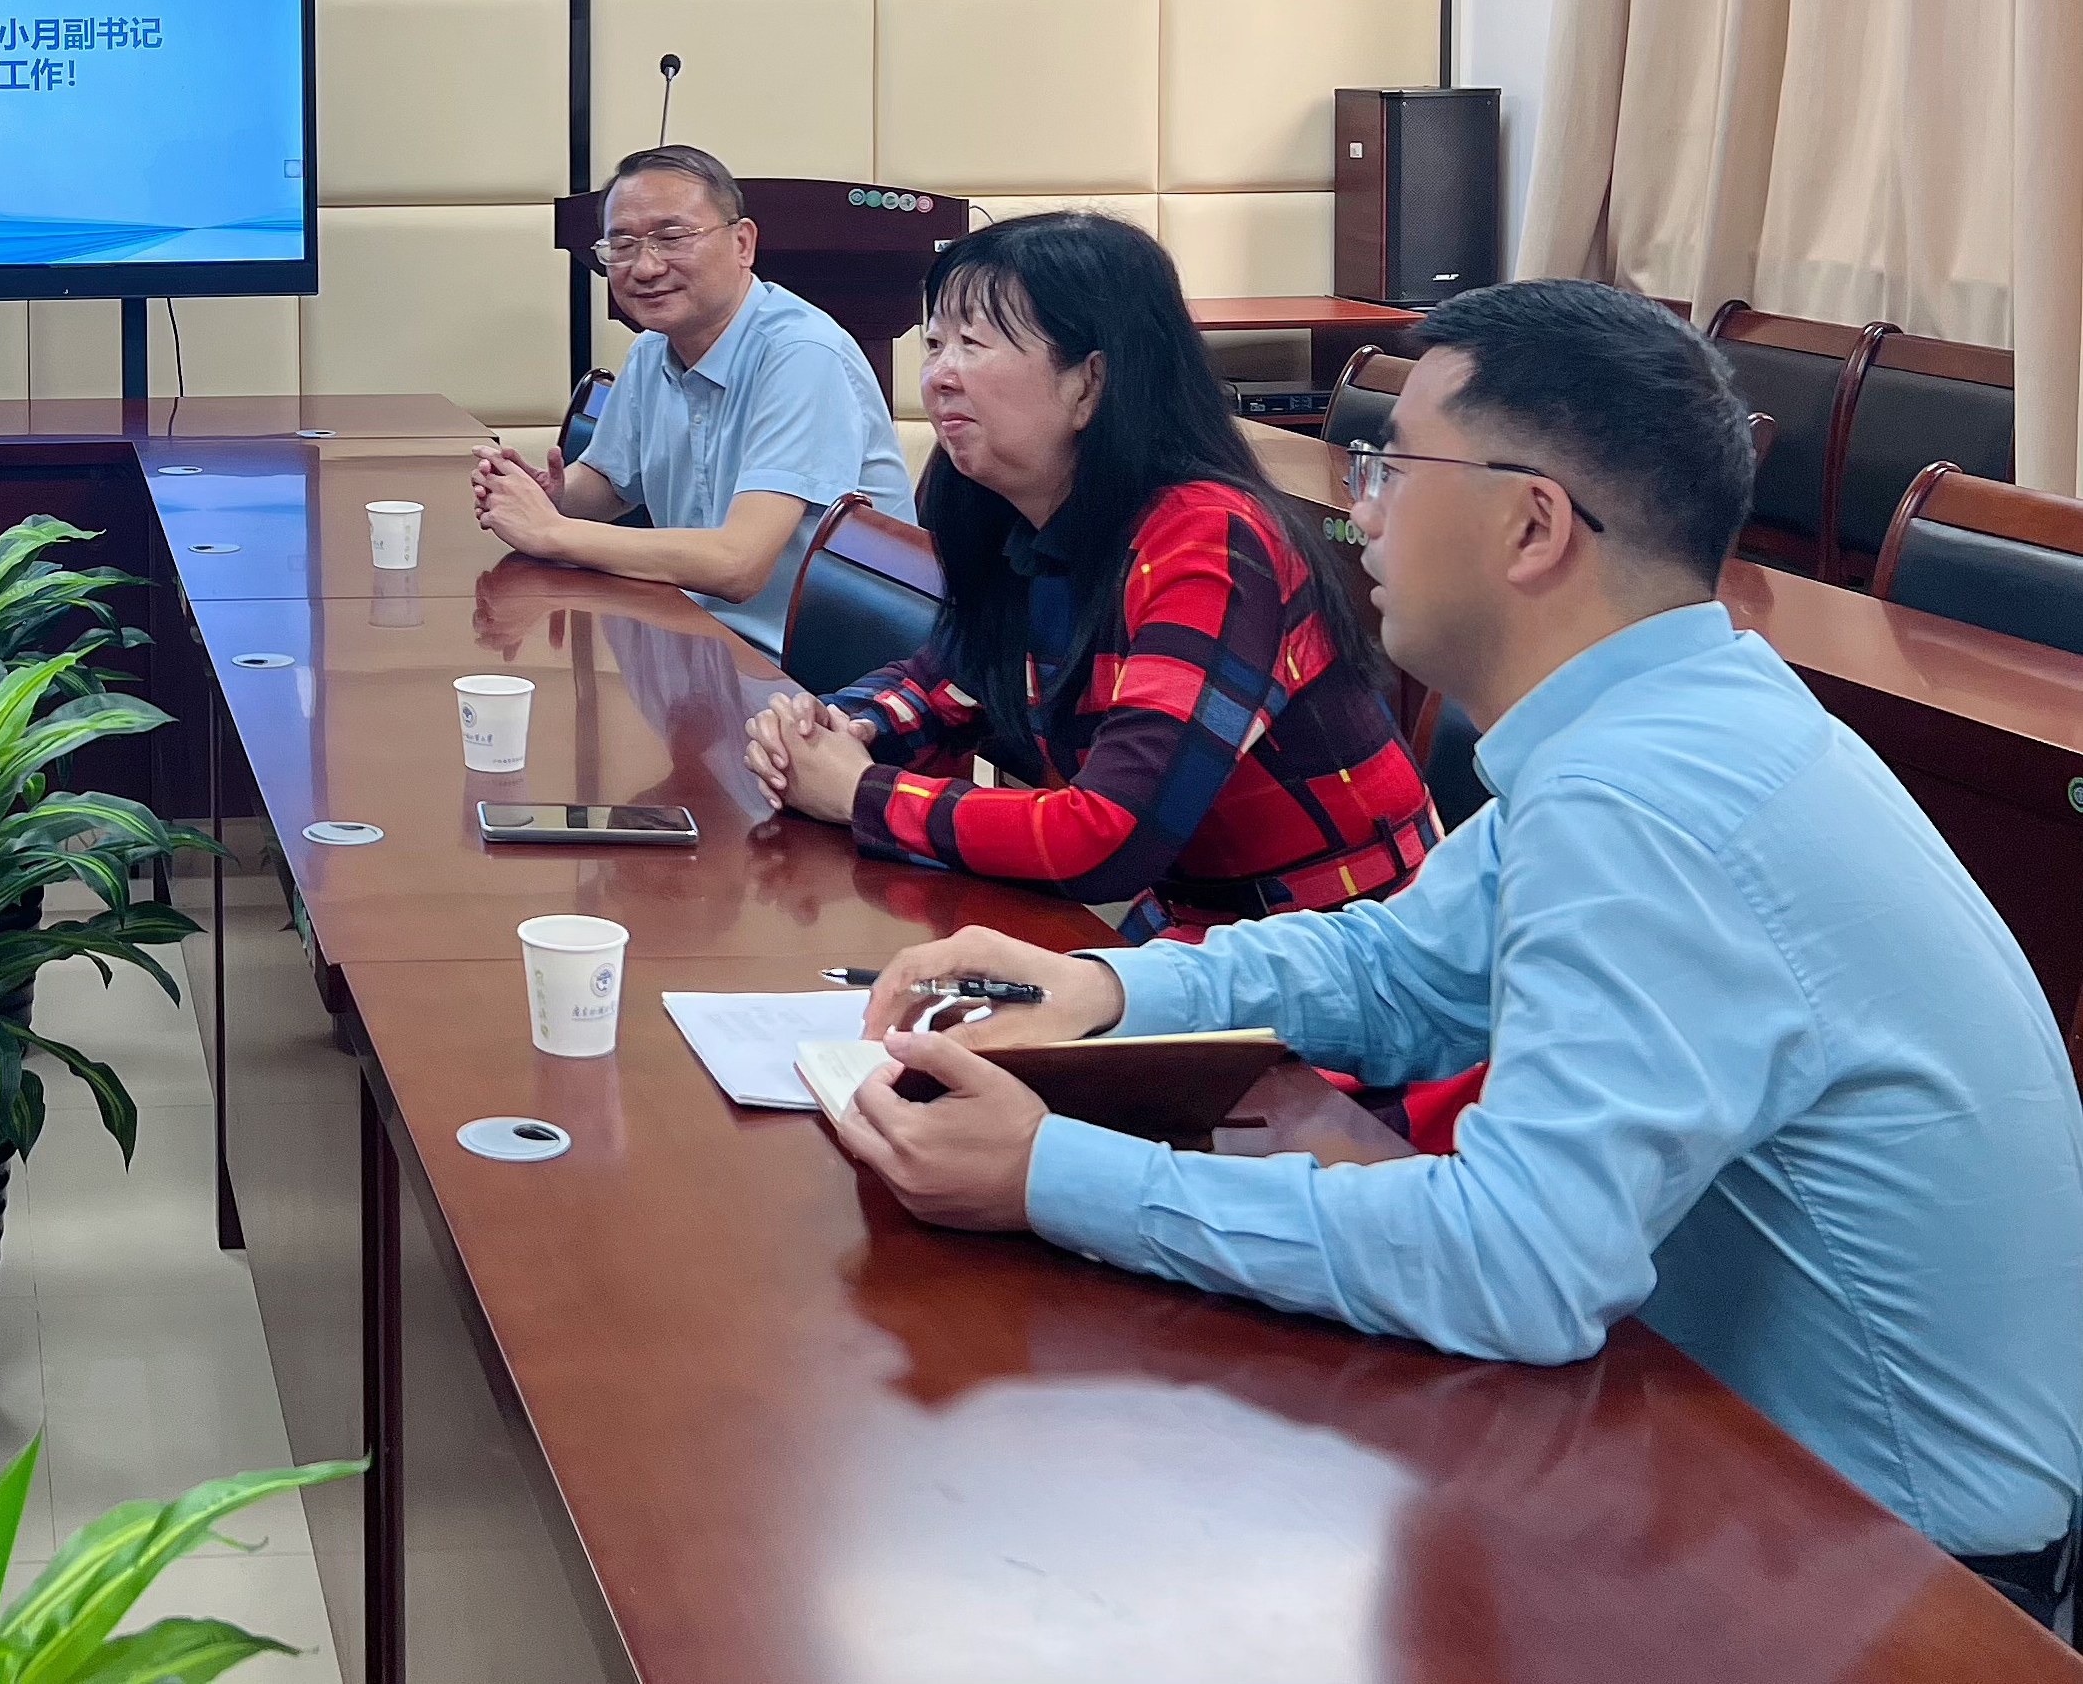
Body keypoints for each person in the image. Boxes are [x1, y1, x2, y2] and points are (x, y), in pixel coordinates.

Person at [827, 279, 2083, 1616]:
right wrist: (1100, 986)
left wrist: (1049, 1175)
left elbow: (1517, 1265)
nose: (1357, 509)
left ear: (1531, 525)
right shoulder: (1672, 714)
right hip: (1733, 1475)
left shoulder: (1648, 802)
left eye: (1391, 468)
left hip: (1896, 1583)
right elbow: (1400, 968)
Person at [744, 210, 1435, 942]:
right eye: (935, 343)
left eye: (973, 344)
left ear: (1090, 382)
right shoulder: (1021, 513)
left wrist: (858, 791)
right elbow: (947, 682)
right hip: (1193, 933)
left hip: (1339, 949)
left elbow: (1109, 836)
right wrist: (834, 726)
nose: (939, 376)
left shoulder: (1210, 544)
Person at [472, 145, 912, 650]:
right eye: (623, 244)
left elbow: (738, 565)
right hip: (699, 634)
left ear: (742, 243)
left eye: (672, 238)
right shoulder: (652, 349)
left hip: (817, 671)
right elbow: (612, 484)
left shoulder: (802, 355)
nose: (645, 267)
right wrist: (549, 497)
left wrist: (551, 532)